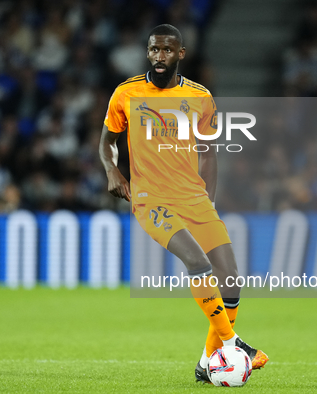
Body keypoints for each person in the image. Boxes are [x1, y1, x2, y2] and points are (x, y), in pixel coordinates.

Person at [99, 24, 269, 383]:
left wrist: (206, 200)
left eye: (166, 50)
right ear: (148, 53)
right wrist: (112, 170)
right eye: (153, 50)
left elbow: (209, 153)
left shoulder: (201, 97)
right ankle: (235, 344)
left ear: (181, 54)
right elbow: (107, 141)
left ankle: (208, 362)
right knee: (197, 261)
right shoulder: (126, 92)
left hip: (193, 197)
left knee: (231, 280)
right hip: (150, 198)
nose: (159, 56)